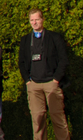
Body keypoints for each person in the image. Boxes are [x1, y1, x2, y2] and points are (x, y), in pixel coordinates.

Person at [18, 9, 70, 140]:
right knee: (37, 120)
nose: (34, 22)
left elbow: (63, 59)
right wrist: (27, 80)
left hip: (51, 83)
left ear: (43, 20)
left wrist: (56, 79)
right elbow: (21, 62)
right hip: (34, 85)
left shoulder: (54, 37)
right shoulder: (25, 40)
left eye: (37, 19)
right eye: (32, 20)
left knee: (58, 118)